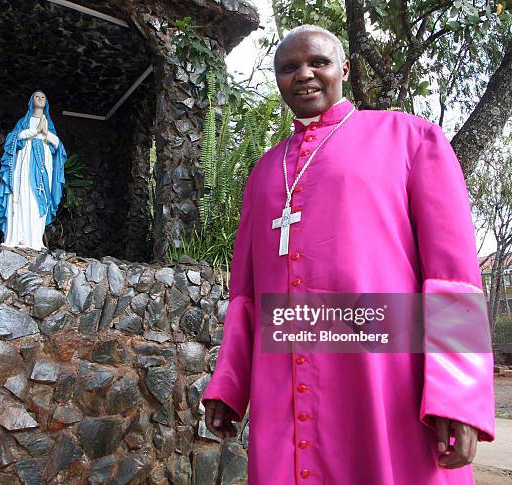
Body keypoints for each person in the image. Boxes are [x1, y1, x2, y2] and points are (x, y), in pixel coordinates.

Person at [202, 25, 495, 484]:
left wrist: (456, 396)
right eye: (288, 67)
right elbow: (246, 292)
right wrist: (230, 384)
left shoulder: (410, 138)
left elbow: (452, 276)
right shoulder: (264, 171)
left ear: (345, 68)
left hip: (385, 374)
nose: (304, 75)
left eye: (317, 62)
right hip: (285, 375)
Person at [0, 91, 67, 250]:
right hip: (24, 165)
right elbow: (12, 139)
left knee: (38, 200)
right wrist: (33, 132)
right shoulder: (23, 121)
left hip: (43, 166)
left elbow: (58, 146)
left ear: (46, 102)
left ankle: (34, 238)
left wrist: (45, 133)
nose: (40, 99)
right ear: (31, 101)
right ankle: (18, 236)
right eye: (37, 96)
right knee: (21, 197)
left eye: (43, 97)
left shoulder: (49, 123)